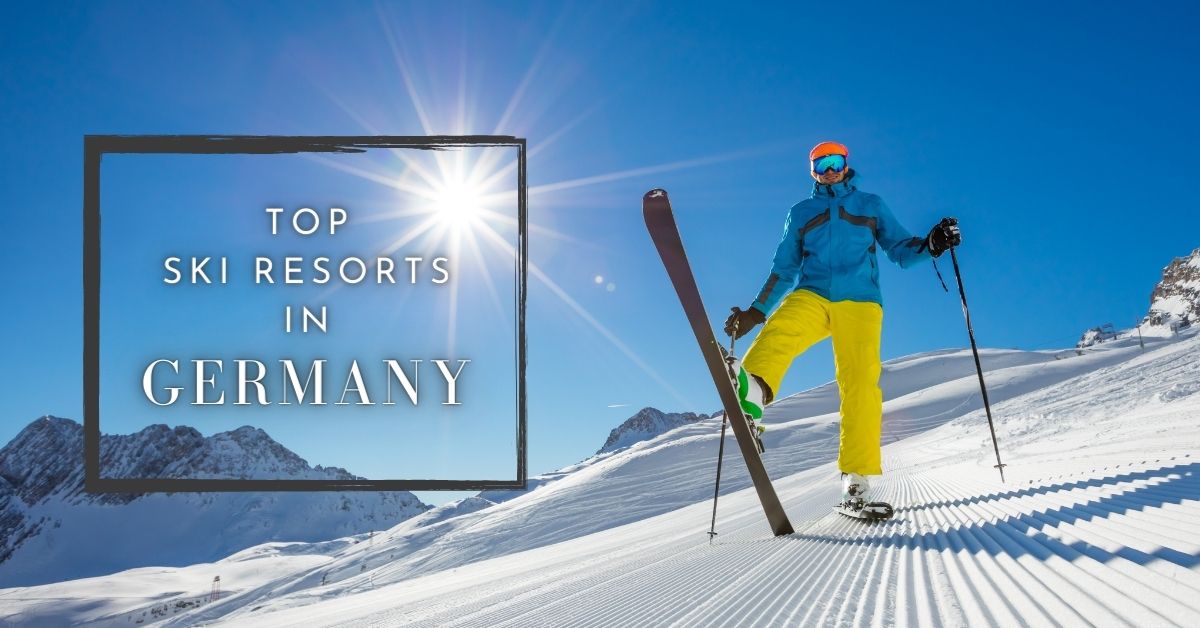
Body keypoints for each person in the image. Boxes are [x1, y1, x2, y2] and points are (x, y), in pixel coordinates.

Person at [722, 140, 960, 505]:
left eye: (836, 161)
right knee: (782, 328)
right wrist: (756, 311)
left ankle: (857, 475)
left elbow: (899, 249)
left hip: (861, 302)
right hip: (814, 293)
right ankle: (754, 392)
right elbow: (784, 268)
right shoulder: (801, 212)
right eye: (821, 164)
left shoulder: (870, 204)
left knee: (860, 383)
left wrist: (931, 244)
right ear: (812, 171)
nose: (830, 169)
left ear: (847, 164)